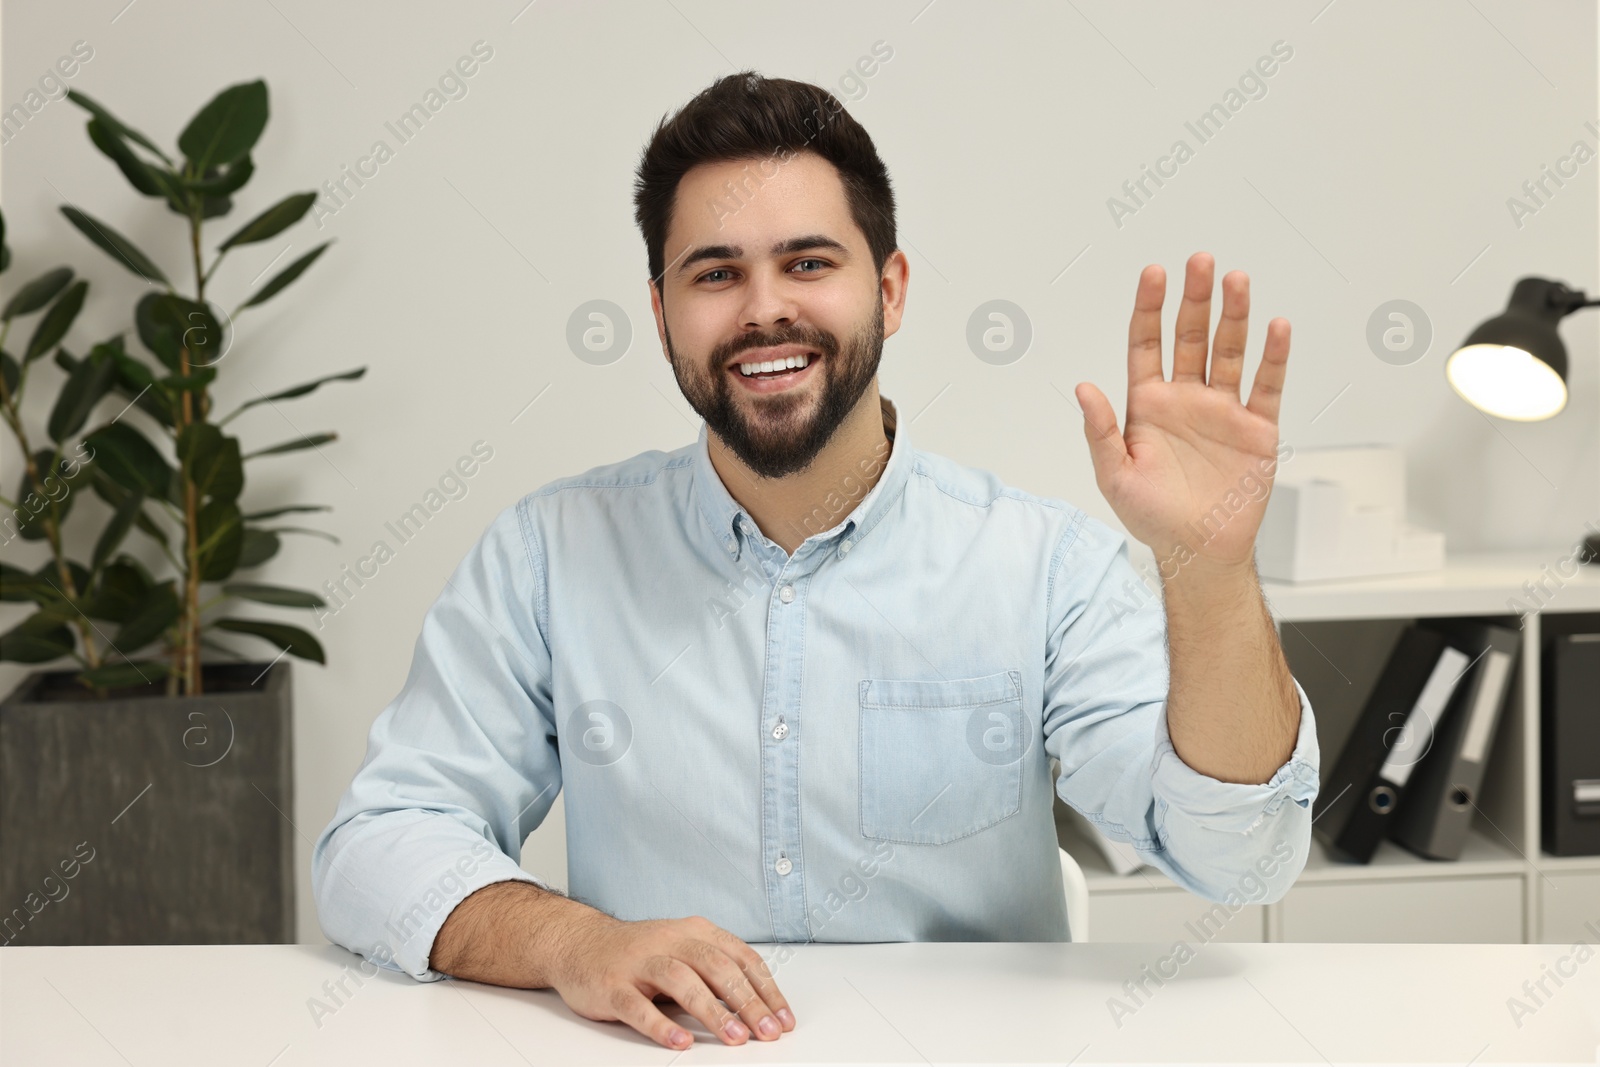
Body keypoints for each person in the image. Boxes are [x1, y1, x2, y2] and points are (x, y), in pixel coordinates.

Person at [312, 71, 1320, 1052]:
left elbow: (1244, 856)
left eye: (807, 263)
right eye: (715, 273)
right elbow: (376, 846)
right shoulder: (548, 556)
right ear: (661, 313)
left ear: (888, 287)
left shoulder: (1041, 566)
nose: (762, 310)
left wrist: (1209, 569)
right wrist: (576, 939)